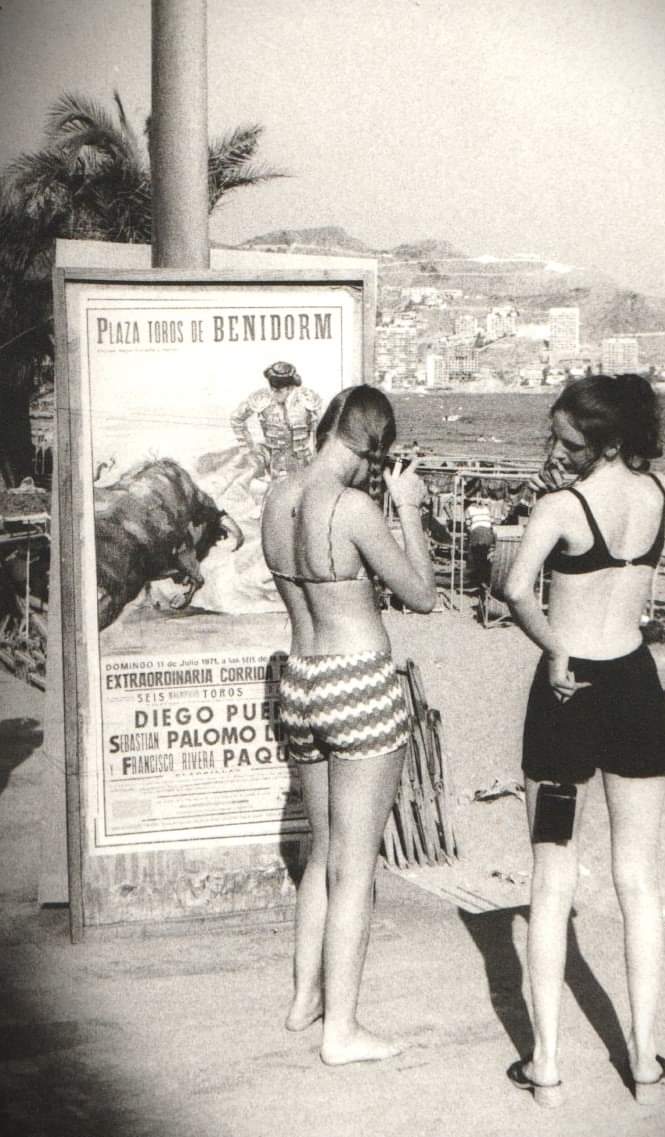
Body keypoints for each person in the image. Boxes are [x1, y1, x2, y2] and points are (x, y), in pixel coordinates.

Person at [503, 374, 665, 1106]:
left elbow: (513, 588)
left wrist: (553, 648)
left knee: (552, 881)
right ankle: (641, 1056)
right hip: (634, 690)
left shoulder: (558, 507)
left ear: (603, 440)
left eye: (566, 440)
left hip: (567, 696)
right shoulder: (656, 493)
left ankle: (546, 1064)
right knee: (636, 878)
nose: (553, 448)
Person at [260, 385, 436, 1066]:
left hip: (299, 679)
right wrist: (412, 511)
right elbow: (422, 594)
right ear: (371, 445)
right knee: (357, 865)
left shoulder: (278, 495)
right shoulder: (355, 507)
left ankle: (305, 999)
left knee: (321, 851)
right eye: (379, 458)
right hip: (357, 678)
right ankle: (343, 1030)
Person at [231, 360, 324, 480]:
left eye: (279, 391)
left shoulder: (308, 398)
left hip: (303, 461)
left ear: (290, 388)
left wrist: (317, 456)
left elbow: (321, 428)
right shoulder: (263, 397)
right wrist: (247, 448)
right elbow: (236, 418)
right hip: (275, 462)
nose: (274, 394)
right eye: (272, 389)